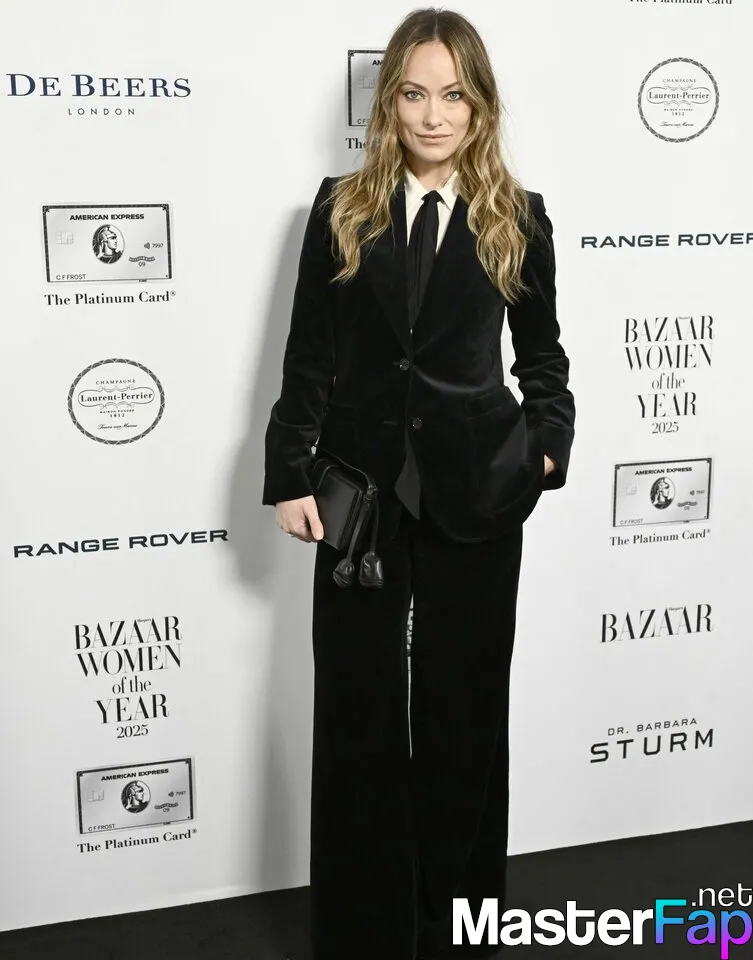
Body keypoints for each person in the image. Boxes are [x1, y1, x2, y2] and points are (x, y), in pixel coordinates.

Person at [262, 9, 575, 959]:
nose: (432, 116)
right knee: (355, 712)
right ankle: (362, 930)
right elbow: (307, 358)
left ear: (479, 106)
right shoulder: (340, 210)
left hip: (478, 490)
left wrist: (544, 451)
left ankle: (460, 920)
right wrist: (289, 470)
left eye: (452, 95)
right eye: (412, 93)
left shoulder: (517, 216)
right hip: (358, 497)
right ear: (387, 102)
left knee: (465, 710)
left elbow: (544, 363)